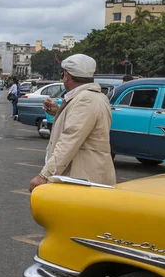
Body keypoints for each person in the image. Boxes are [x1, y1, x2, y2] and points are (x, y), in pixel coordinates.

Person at [29, 54, 116, 192]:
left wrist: (44, 175)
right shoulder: (96, 97)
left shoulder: (85, 100)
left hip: (82, 180)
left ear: (67, 76)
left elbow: (69, 140)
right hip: (88, 178)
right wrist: (59, 112)